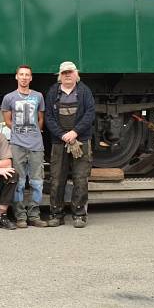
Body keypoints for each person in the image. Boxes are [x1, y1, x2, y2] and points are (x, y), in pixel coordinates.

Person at [45, 61, 96, 228]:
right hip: (59, 142)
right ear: (60, 76)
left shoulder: (84, 91)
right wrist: (62, 134)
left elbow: (90, 114)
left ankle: (79, 214)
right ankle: (56, 214)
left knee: (80, 178)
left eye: (70, 72)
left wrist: (75, 132)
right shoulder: (53, 92)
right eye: (64, 73)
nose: (67, 75)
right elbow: (49, 118)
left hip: (80, 141)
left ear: (76, 74)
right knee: (57, 179)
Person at [1, 65, 46, 228]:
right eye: (21, 74)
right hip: (17, 145)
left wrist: (34, 132)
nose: (24, 77)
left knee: (37, 182)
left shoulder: (38, 96)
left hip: (36, 145)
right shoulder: (9, 97)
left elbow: (41, 119)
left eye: (27, 75)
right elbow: (7, 120)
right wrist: (20, 133)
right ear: (16, 77)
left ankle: (34, 214)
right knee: (18, 182)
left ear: (31, 78)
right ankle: (20, 215)